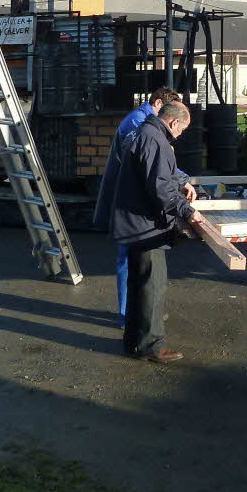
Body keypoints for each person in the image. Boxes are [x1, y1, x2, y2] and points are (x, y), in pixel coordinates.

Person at [111, 100, 205, 363]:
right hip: (145, 228)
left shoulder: (147, 134)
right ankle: (151, 346)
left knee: (140, 284)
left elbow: (159, 175)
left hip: (137, 224)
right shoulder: (154, 139)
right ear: (174, 122)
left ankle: (134, 343)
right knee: (151, 286)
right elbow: (159, 189)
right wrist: (188, 212)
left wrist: (181, 181)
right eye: (182, 129)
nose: (181, 134)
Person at [92, 87, 195, 323]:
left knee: (133, 261)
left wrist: (180, 179)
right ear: (159, 105)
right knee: (130, 259)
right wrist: (181, 183)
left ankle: (142, 311)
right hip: (132, 205)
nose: (175, 133)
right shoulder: (142, 124)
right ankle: (130, 314)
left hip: (131, 199)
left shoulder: (144, 123)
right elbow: (153, 164)